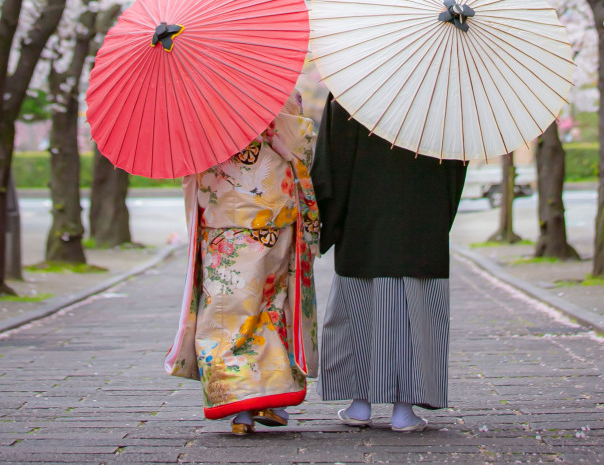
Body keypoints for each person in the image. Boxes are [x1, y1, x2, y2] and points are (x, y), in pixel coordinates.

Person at [165, 92, 319, 435]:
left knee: (225, 309)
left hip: (221, 220)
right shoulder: (277, 90)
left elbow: (186, 161)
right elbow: (300, 146)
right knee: (270, 303)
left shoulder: (197, 98)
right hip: (271, 214)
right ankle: (271, 398)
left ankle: (240, 408)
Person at [311, 93, 467, 432]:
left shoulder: (350, 92)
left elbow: (328, 170)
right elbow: (456, 168)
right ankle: (403, 408)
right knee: (416, 317)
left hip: (362, 224)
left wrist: (332, 225)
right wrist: (439, 221)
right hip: (420, 227)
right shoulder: (445, 97)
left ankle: (359, 404)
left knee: (359, 311)